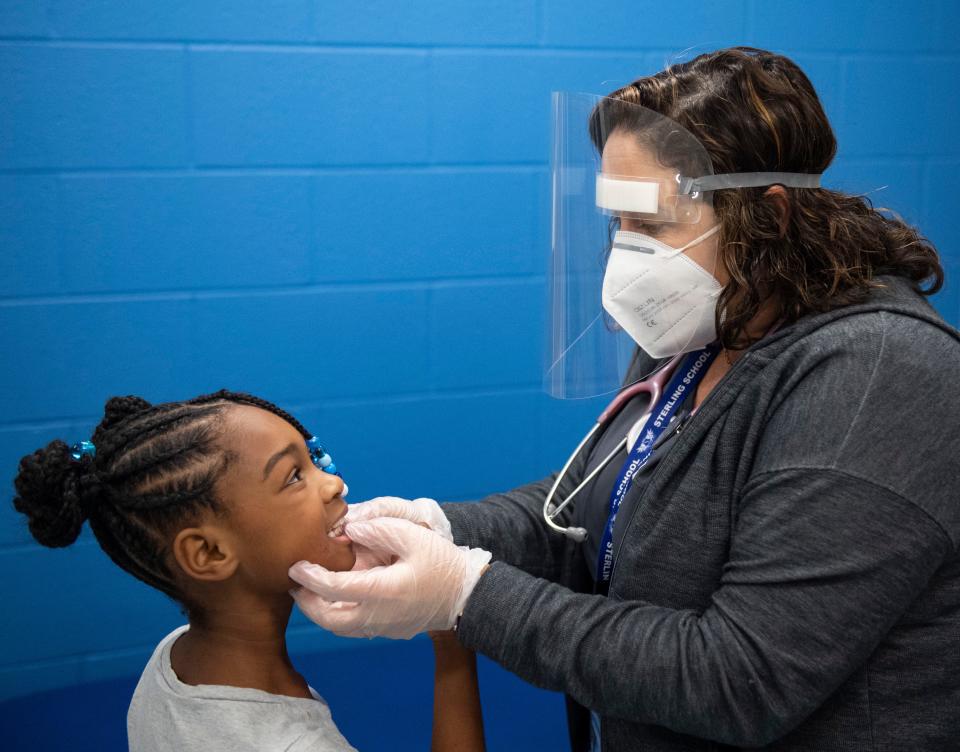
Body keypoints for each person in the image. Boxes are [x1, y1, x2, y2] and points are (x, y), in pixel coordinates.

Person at [288, 48, 960, 751]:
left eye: (653, 223)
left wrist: (466, 594)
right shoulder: (708, 321)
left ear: (771, 213)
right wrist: (444, 529)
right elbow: (603, 509)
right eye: (617, 222)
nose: (627, 256)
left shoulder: (878, 375)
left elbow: (739, 679)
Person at [12, 390, 486, 752]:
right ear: (209, 553)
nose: (335, 483)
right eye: (294, 476)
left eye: (313, 458)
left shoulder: (171, 661)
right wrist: (452, 640)